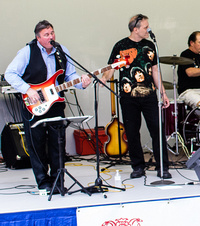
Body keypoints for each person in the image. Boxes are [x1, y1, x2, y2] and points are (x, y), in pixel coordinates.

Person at [4, 20, 91, 192]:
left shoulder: (62, 51)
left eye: (52, 33)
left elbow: (70, 76)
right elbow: (10, 73)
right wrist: (27, 89)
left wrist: (83, 83)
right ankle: (43, 183)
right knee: (36, 144)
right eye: (46, 34)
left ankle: (58, 183)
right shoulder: (27, 51)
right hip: (34, 104)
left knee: (57, 144)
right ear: (38, 38)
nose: (51, 37)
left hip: (56, 103)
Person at [100, 14, 171, 179]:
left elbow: (155, 70)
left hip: (149, 95)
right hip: (128, 96)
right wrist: (105, 77)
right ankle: (138, 166)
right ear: (135, 29)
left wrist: (163, 92)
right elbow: (111, 68)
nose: (148, 30)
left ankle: (162, 167)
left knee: (157, 130)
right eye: (146, 27)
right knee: (132, 132)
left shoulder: (150, 45)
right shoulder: (121, 45)